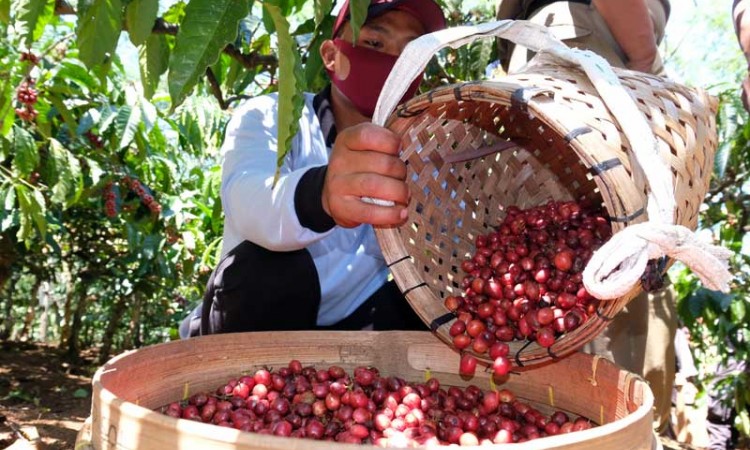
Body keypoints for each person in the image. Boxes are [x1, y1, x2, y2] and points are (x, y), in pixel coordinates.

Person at [179, 0, 447, 338]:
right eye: (374, 44)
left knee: (427, 300)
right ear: (331, 56)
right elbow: (246, 198)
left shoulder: (421, 153)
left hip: (349, 325)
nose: (392, 64)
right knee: (273, 267)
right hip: (251, 315)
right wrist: (319, 194)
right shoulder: (270, 116)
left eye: (409, 56)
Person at [495, 0, 676, 434]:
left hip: (560, 48)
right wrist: (645, 57)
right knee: (609, 261)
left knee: (596, 260)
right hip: (595, 41)